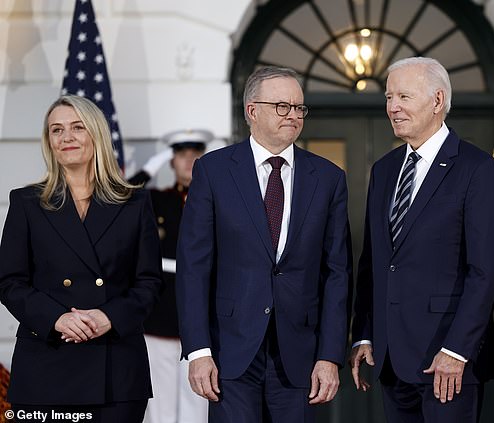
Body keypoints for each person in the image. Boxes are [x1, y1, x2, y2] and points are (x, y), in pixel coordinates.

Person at [176, 66, 352, 422]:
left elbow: (336, 272)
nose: (293, 115)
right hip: (230, 351)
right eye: (282, 106)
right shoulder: (212, 171)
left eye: (299, 108)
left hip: (300, 356)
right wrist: (197, 350)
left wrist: (330, 355)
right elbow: (194, 266)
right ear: (252, 111)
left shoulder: (329, 178)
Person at [349, 56, 494, 423]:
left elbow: (485, 271)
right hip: (391, 359)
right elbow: (374, 260)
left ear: (437, 101)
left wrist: (456, 350)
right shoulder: (385, 170)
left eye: (403, 96)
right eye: (389, 97)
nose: (392, 107)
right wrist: (364, 334)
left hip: (448, 361)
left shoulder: (478, 169)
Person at [0, 95, 162, 422]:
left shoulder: (134, 203)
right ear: (49, 142)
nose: (67, 137)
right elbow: (9, 282)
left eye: (77, 128)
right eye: (56, 130)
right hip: (45, 367)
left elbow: (149, 283)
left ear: (96, 134)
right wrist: (56, 318)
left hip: (115, 371)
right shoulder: (26, 203)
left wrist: (109, 317)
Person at [129, 130, 220, 423]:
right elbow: (120, 199)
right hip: (160, 310)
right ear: (171, 161)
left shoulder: (217, 200)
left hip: (205, 308)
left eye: (196, 155)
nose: (189, 161)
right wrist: (150, 166)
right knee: (160, 400)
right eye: (181, 155)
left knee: (199, 396)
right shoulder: (156, 200)